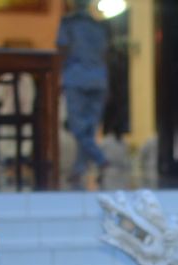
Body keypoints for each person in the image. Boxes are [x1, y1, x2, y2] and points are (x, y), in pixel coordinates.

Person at [56, 0, 109, 190]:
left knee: (78, 126)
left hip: (77, 78)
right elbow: (104, 52)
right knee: (88, 128)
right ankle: (79, 169)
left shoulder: (68, 24)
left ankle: (100, 158)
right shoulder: (99, 25)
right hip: (98, 79)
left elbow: (62, 48)